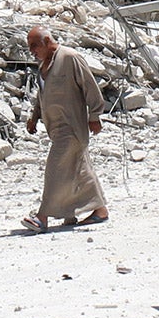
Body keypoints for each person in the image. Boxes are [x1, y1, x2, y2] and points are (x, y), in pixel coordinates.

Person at [21, 25, 107, 231]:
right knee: (79, 172)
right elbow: (43, 96)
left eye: (34, 45)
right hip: (56, 129)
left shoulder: (69, 58)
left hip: (72, 128)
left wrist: (94, 116)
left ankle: (42, 217)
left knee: (55, 169)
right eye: (29, 47)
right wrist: (34, 117)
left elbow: (90, 87)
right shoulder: (44, 66)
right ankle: (98, 211)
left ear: (47, 41)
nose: (32, 51)